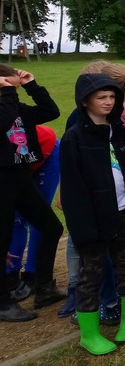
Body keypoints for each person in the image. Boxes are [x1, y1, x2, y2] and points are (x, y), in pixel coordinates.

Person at [60, 60, 125, 324]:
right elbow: (72, 183)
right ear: (85, 101)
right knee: (91, 271)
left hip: (123, 210)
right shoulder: (74, 137)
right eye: (101, 97)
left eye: (111, 97)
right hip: (94, 215)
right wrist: (81, 221)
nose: (108, 102)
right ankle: (90, 330)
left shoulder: (119, 133)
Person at [0, 64, 65, 322]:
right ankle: (3, 302)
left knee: (51, 228)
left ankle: (44, 287)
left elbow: (51, 111)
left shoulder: (15, 107)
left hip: (21, 178)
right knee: (3, 238)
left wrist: (31, 85)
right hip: (2, 180)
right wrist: (8, 91)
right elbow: (4, 121)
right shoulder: (7, 107)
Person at [5, 125, 58, 303]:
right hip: (16, 165)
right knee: (16, 219)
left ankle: (33, 276)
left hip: (46, 153)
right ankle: (11, 275)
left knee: (40, 220)